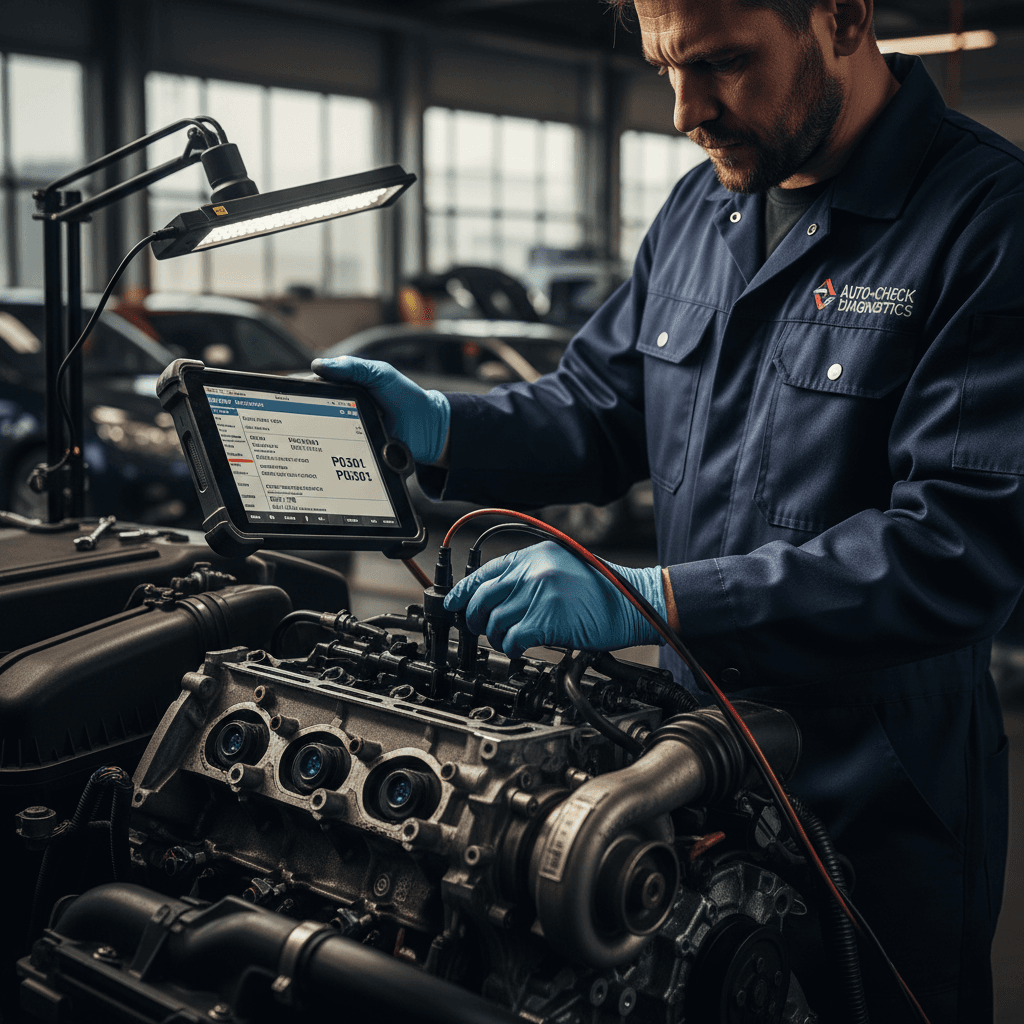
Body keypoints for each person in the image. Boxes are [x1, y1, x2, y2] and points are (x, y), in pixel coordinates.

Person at [314, 0, 1022, 1019]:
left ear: (845, 16)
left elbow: (955, 547)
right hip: (687, 759)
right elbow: (599, 409)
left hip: (872, 790)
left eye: (726, 62)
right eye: (664, 69)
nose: (687, 110)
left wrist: (643, 593)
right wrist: (444, 431)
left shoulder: (984, 219)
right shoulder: (703, 209)